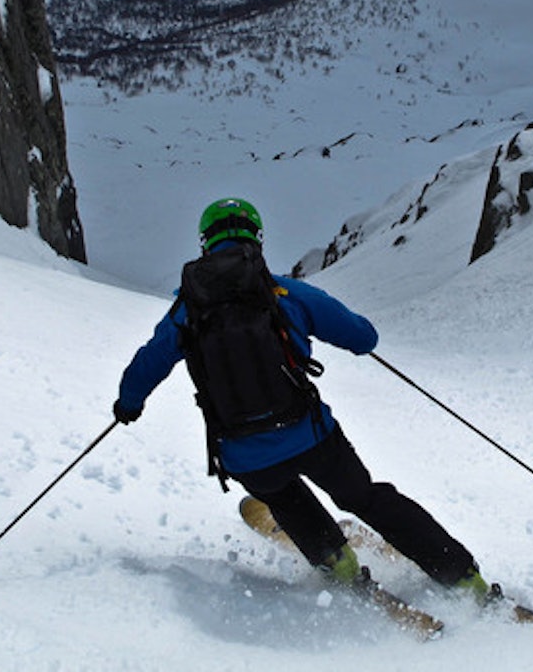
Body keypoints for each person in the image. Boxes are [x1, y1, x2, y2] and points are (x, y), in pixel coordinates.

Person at [113, 197, 490, 598]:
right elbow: (364, 338)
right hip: (312, 437)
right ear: (255, 238)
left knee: (282, 495)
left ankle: (335, 562)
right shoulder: (285, 293)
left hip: (243, 455)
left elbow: (147, 364)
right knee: (364, 497)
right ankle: (460, 574)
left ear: (206, 242)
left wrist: (128, 405)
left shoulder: (185, 310)